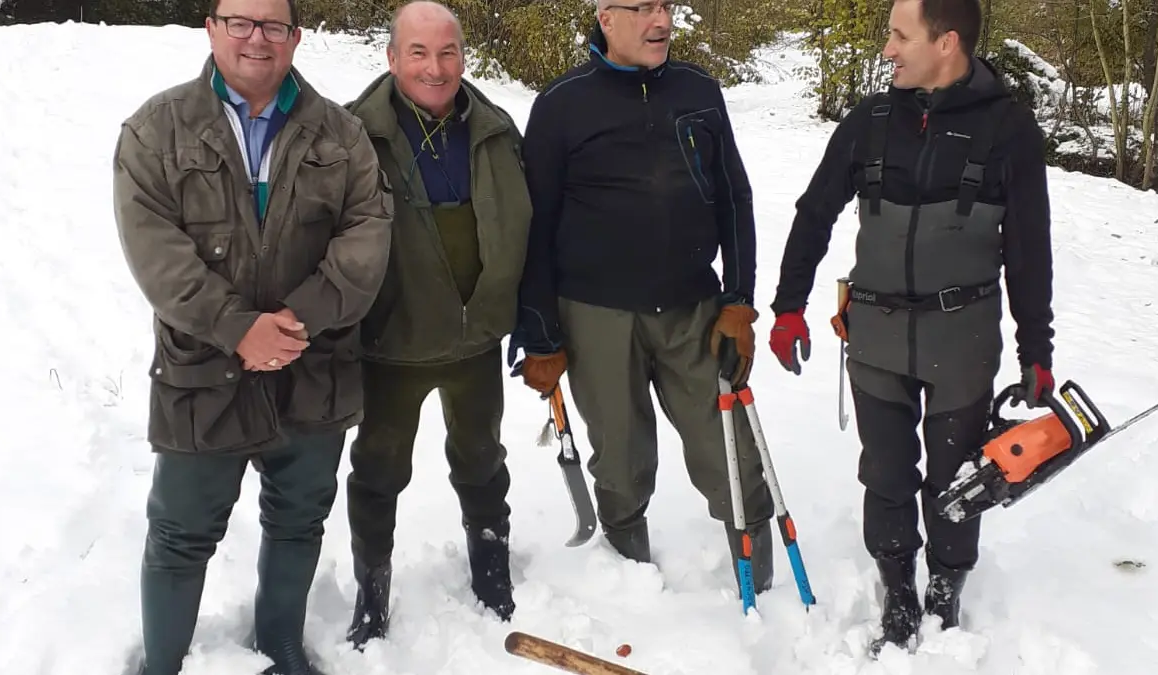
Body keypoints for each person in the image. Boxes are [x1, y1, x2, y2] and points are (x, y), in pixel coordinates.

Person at [111, 0, 394, 671]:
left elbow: (366, 238)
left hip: (311, 364)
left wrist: (293, 322)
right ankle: (163, 661)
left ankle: (283, 644)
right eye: (239, 21)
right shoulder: (156, 131)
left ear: (295, 38)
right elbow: (156, 251)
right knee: (181, 532)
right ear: (211, 28)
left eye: (273, 25)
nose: (255, 39)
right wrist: (237, 327)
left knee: (298, 520)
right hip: (203, 372)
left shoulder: (341, 135)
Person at [767, 0, 1055, 655]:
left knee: (958, 479)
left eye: (900, 36)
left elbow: (1029, 248)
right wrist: (787, 307)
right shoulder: (868, 122)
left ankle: (946, 586)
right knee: (887, 474)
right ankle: (897, 587)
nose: (888, 49)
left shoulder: (1007, 128)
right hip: (876, 338)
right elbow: (814, 215)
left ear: (946, 42)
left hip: (962, 342)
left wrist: (1036, 348)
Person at [508, 0, 775, 592]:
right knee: (621, 461)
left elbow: (735, 200)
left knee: (727, 451)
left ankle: (759, 583)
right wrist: (540, 333)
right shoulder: (561, 104)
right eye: (643, 8)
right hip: (596, 313)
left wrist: (739, 300)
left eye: (666, 6)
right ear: (607, 17)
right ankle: (632, 589)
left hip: (693, 310)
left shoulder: (698, 91)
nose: (662, 21)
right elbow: (535, 225)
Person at [341, 0, 531, 648]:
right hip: (391, 345)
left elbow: (525, 229)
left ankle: (491, 566)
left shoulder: (496, 132)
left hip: (475, 338)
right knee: (378, 468)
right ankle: (372, 589)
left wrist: (532, 320)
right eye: (418, 53)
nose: (435, 67)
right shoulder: (351, 137)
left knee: (482, 460)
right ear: (392, 59)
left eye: (447, 52)